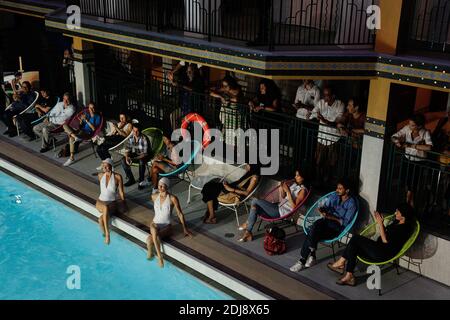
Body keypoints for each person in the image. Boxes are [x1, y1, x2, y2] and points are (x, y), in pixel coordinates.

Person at [327, 203, 414, 286]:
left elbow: (385, 241)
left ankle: (341, 263)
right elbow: (387, 234)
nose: (395, 213)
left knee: (356, 238)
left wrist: (380, 223)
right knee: (353, 246)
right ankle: (349, 275)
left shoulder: (404, 230)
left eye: (398, 212)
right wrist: (382, 223)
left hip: (383, 253)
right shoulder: (397, 222)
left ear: (404, 216)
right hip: (378, 248)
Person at [290, 178, 357, 272]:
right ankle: (304, 260)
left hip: (335, 228)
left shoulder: (351, 204)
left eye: (340, 188)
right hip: (324, 222)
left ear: (347, 190)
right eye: (337, 187)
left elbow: (345, 222)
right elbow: (324, 206)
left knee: (312, 230)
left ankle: (309, 255)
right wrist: (322, 209)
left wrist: (331, 217)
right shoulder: (334, 196)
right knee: (314, 229)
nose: (337, 190)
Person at [237, 169, 308, 242]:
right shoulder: (294, 185)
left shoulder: (303, 191)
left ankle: (247, 223)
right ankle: (248, 232)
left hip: (280, 212)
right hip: (277, 207)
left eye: (298, 175)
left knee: (255, 200)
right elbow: (283, 196)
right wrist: (282, 188)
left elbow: (294, 207)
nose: (295, 177)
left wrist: (288, 191)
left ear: (303, 178)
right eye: (295, 175)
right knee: (255, 207)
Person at [146, 177, 192, 268]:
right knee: (153, 230)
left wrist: (185, 229)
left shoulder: (172, 198)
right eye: (159, 185)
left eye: (163, 185)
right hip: (155, 224)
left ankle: (155, 254)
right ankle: (158, 256)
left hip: (166, 226)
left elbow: (179, 213)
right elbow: (158, 212)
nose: (161, 187)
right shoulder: (154, 196)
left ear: (167, 186)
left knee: (149, 240)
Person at [391, 114, 433, 208]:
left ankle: (408, 203)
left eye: (412, 125)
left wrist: (412, 146)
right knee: (406, 181)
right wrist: (397, 141)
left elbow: (429, 147)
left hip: (419, 162)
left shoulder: (425, 133)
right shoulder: (407, 128)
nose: (410, 126)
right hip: (407, 158)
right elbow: (394, 136)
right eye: (409, 124)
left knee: (413, 183)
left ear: (419, 126)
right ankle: (409, 203)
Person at [309, 87, 345, 185]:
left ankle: (328, 183)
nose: (325, 97)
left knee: (331, 163)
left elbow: (338, 121)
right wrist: (314, 115)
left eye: (327, 95)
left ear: (333, 95)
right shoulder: (321, 102)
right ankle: (318, 181)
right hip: (321, 137)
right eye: (324, 95)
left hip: (333, 138)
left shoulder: (340, 105)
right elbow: (313, 113)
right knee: (318, 162)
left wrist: (325, 120)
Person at [96, 158, 127, 245]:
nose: (104, 167)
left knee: (100, 220)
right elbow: (103, 191)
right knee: (105, 207)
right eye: (103, 165)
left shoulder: (117, 177)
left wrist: (124, 202)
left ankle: (104, 234)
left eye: (106, 165)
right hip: (100, 202)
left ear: (111, 166)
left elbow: (121, 191)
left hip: (112, 203)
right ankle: (107, 234)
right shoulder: (100, 175)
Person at [62, 102, 102, 166]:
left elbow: (93, 129)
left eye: (93, 108)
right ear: (88, 108)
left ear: (95, 109)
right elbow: (80, 126)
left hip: (87, 133)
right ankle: (75, 137)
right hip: (80, 131)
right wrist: (81, 120)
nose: (91, 109)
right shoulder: (87, 114)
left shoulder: (97, 117)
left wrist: (86, 120)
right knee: (64, 125)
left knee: (71, 138)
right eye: (90, 108)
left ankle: (71, 158)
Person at [211, 75, 244, 145]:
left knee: (235, 137)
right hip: (228, 115)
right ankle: (230, 150)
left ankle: (236, 152)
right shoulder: (225, 90)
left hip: (235, 116)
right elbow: (212, 93)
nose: (224, 87)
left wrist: (225, 97)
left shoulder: (236, 90)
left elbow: (236, 99)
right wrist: (220, 96)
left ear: (231, 84)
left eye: (226, 86)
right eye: (223, 85)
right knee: (228, 137)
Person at [121, 123, 150, 188]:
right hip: (135, 154)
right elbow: (127, 150)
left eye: (137, 131)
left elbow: (144, 154)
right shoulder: (131, 137)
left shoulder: (144, 139)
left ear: (140, 131)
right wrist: (127, 157)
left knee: (141, 162)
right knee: (123, 160)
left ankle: (141, 181)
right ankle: (131, 179)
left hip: (144, 155)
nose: (135, 133)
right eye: (134, 131)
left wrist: (133, 159)